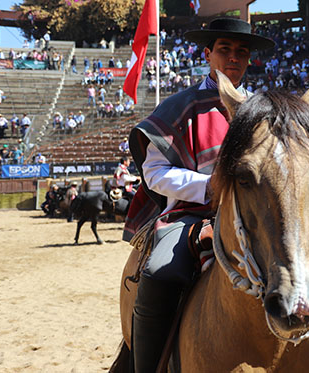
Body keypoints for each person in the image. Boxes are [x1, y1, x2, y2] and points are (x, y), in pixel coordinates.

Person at [122, 18, 297, 373]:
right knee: (160, 272)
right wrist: (209, 186)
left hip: (258, 217)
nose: (234, 58)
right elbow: (154, 173)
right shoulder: (178, 106)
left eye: (242, 52)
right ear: (207, 54)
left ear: (249, 60)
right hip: (190, 216)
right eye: (224, 50)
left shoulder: (268, 111)